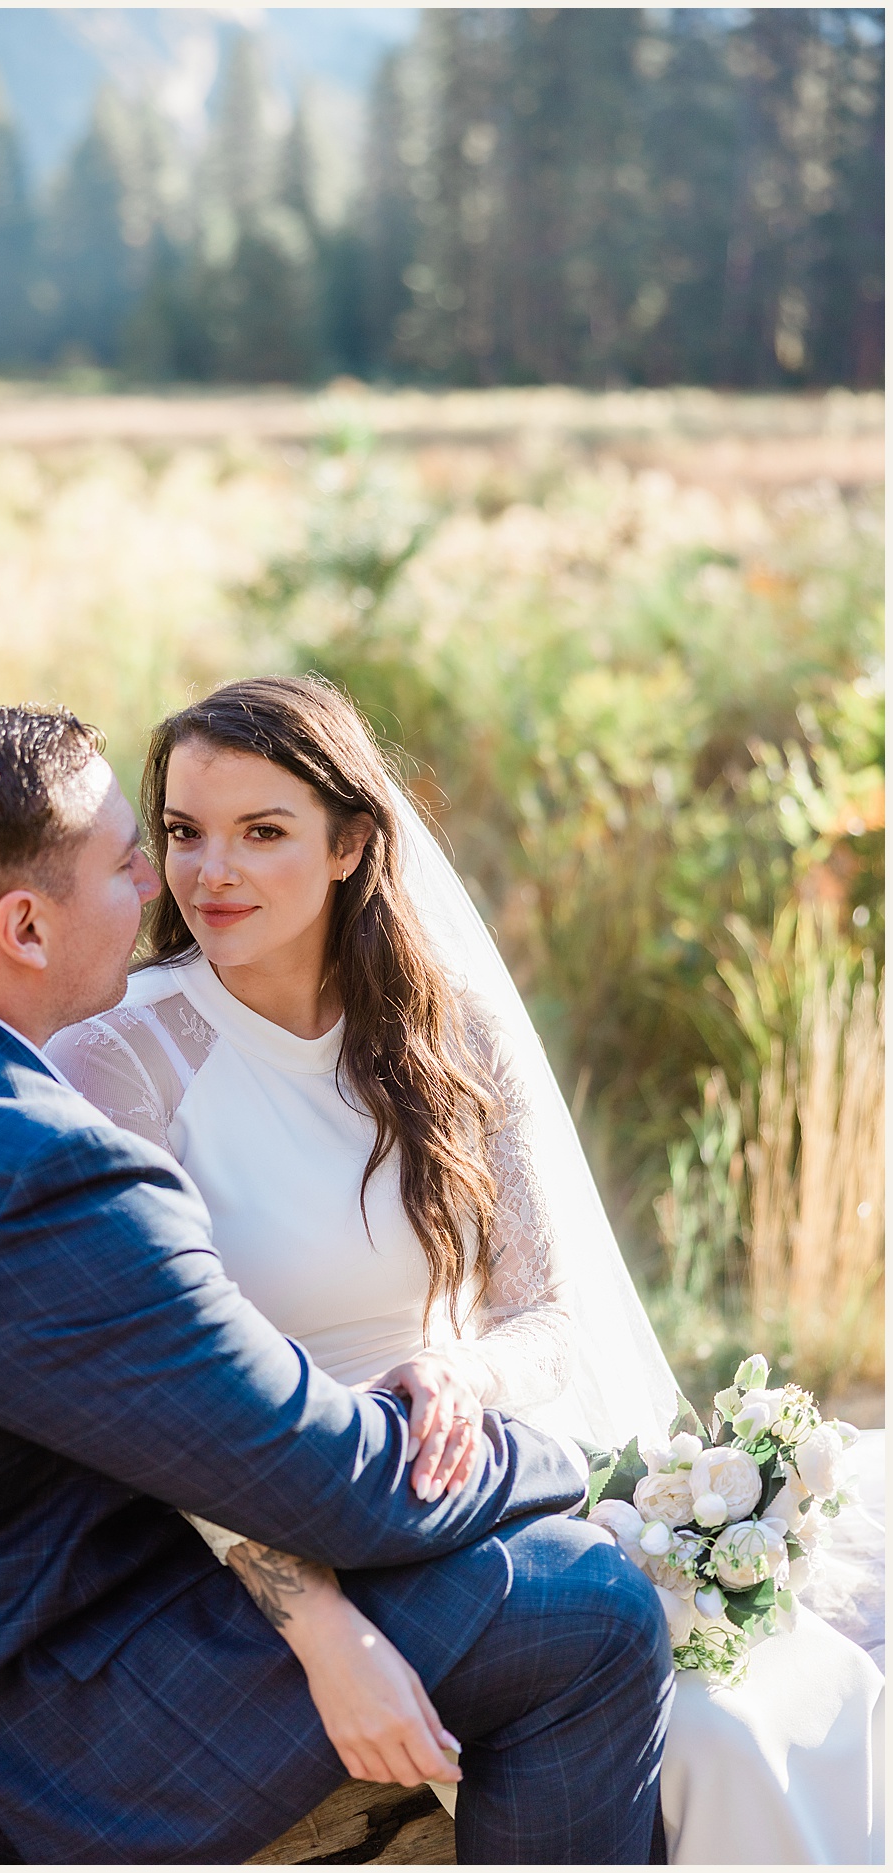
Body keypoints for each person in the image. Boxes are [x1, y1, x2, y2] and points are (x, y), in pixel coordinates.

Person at [0, 703, 673, 1864]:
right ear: (23, 925)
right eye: (126, 860)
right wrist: (580, 1472)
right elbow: (340, 1487)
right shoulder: (49, 1176)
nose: (164, 886)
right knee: (591, 1609)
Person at [47, 675, 883, 1864]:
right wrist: (322, 1621)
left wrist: (454, 1369)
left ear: (349, 846)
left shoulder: (450, 1034)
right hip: (260, 1525)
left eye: (261, 832)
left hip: (472, 1471)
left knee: (782, 1696)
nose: (208, 871)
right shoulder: (117, 1057)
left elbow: (543, 1312)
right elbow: (148, 1395)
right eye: (183, 832)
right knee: (695, 1727)